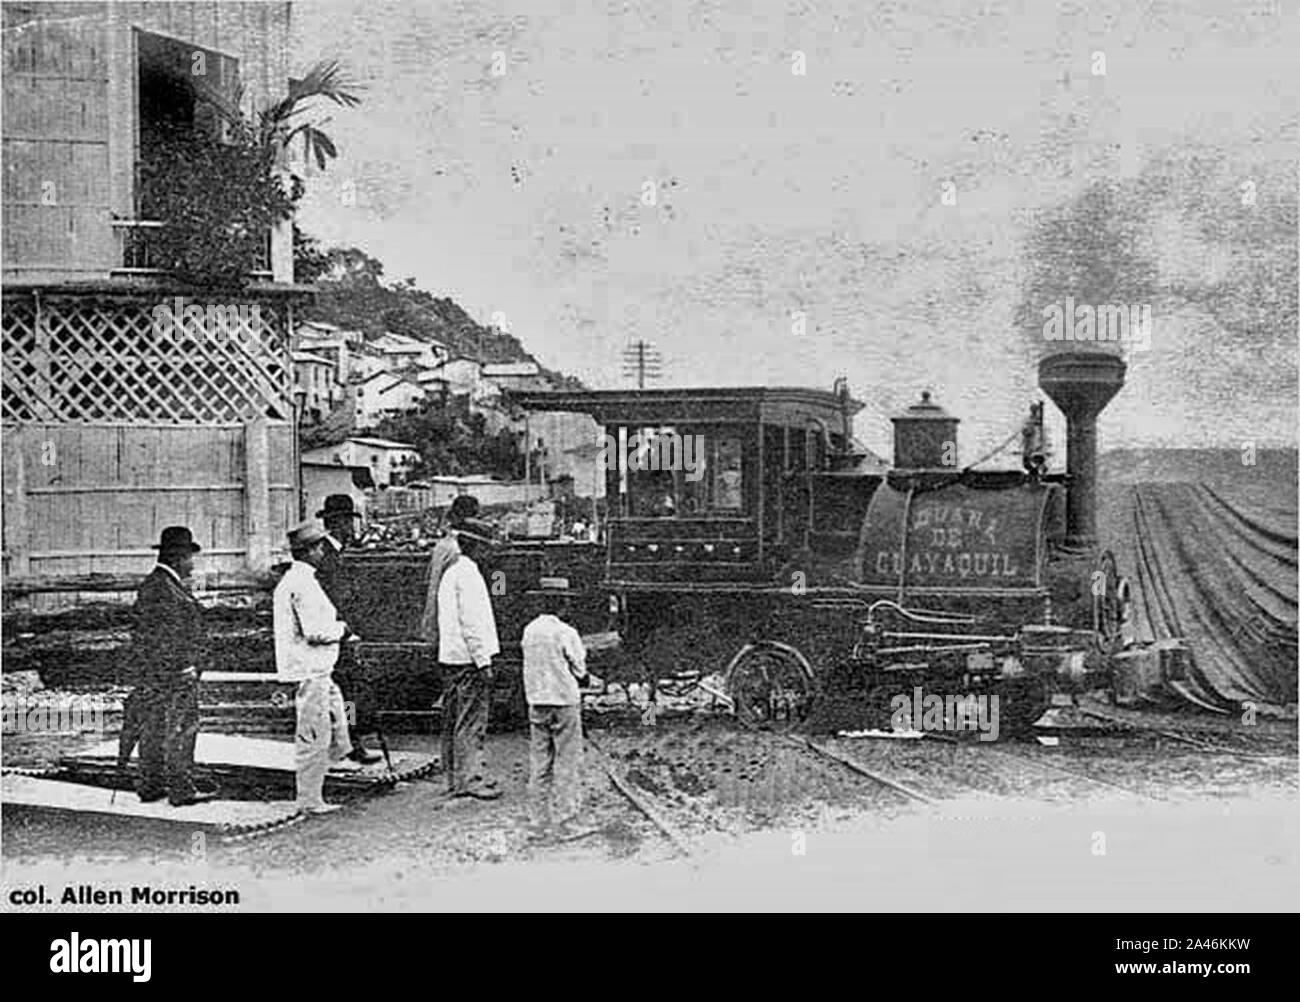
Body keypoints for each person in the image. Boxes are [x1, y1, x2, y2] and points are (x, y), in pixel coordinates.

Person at [273, 521, 361, 816]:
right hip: (310, 669)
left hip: (318, 669)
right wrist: (343, 630)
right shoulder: (303, 584)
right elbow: (315, 631)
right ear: (309, 551)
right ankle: (310, 798)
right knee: (313, 733)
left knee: (338, 712)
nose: (324, 551)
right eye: (319, 547)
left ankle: (340, 756)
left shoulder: (300, 579)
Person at [125, 526, 215, 807]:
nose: (192, 564)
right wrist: (184, 667)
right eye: (190, 558)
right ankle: (181, 789)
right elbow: (167, 638)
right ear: (178, 558)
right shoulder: (166, 590)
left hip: (154, 674)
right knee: (181, 729)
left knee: (153, 727)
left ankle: (150, 785)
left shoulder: (156, 584)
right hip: (175, 674)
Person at [315, 495, 382, 765]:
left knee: (347, 692)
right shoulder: (328, 558)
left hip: (341, 633)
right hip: (337, 635)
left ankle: (349, 740)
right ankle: (351, 742)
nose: (350, 528)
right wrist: (348, 631)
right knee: (348, 692)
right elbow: (337, 599)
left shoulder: (337, 554)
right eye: (347, 522)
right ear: (336, 523)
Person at [437, 518, 501, 799]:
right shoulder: (470, 575)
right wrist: (483, 661)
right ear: (475, 545)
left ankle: (455, 779)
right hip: (469, 660)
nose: (490, 553)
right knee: (472, 722)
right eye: (487, 547)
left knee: (453, 720)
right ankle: (470, 780)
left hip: (451, 658)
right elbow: (472, 624)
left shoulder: (451, 572)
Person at [521, 584, 591, 836]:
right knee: (567, 762)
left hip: (537, 702)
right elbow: (580, 669)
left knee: (540, 763)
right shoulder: (566, 632)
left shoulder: (529, 631)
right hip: (563, 702)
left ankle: (536, 822)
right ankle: (565, 821)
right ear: (561, 603)